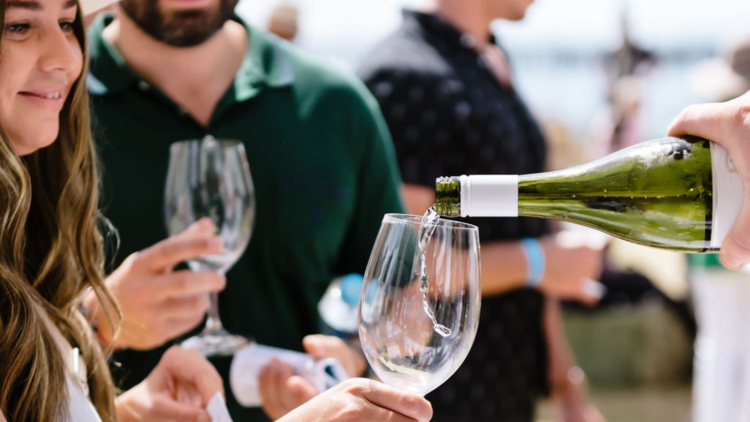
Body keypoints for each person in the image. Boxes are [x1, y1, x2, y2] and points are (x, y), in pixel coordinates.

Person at [0, 1, 433, 421]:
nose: (59, 53)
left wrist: (345, 355)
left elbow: (405, 296)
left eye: (66, 21)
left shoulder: (338, 104)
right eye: (19, 25)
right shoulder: (44, 112)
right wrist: (95, 321)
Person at [357, 1, 606, 421]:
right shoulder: (405, 74)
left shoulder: (485, 59)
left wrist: (566, 380)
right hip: (441, 388)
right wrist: (538, 261)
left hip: (505, 380)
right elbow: (410, 263)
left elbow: (520, 228)